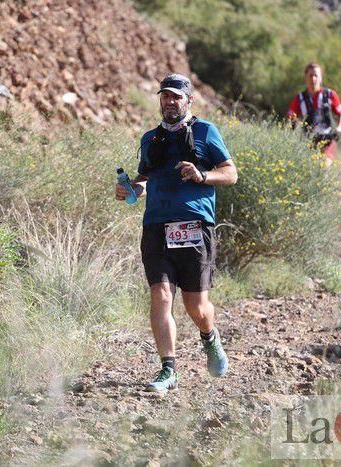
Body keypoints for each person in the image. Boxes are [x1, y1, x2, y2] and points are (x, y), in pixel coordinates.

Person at [114, 73, 238, 393]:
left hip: (194, 225)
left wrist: (202, 175)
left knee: (196, 307)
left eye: (175, 97)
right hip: (156, 225)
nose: (169, 102)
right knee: (162, 295)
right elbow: (143, 180)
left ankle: (210, 338)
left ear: (188, 101)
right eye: (165, 96)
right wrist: (130, 189)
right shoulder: (149, 139)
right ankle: (168, 369)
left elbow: (230, 174)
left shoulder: (205, 132)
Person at [287, 62, 341, 164]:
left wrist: (339, 129)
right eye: (310, 75)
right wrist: (293, 127)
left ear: (321, 78)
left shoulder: (330, 95)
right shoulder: (300, 98)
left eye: (316, 75)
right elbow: (290, 118)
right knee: (310, 170)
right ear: (305, 77)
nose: (313, 79)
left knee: (324, 166)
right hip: (308, 140)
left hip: (327, 139)